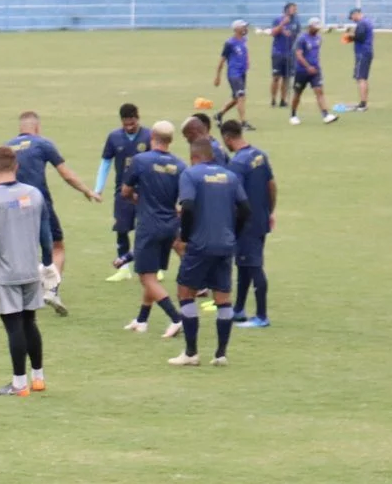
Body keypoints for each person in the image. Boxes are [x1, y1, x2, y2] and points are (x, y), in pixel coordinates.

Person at [0, 146, 57, 396]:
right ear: (16, 166)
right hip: (30, 270)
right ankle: (38, 377)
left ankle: (19, 383)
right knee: (30, 323)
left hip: (5, 274)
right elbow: (45, 235)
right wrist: (48, 264)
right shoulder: (35, 195)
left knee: (14, 327)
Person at [3, 111, 100, 309]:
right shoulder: (42, 143)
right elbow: (66, 174)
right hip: (39, 203)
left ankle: (25, 290)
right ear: (37, 128)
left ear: (20, 129)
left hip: (14, 205)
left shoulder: (7, 148)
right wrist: (87, 191)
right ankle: (51, 290)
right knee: (57, 246)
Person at [169, 137, 250, 366]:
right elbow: (245, 208)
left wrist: (185, 235)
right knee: (222, 297)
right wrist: (234, 233)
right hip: (225, 244)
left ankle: (191, 353)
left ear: (194, 156)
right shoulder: (230, 176)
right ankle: (221, 354)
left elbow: (188, 205)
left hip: (200, 243)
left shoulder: (191, 175)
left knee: (185, 293)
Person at [119, 121, 186, 334]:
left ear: (151, 138)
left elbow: (125, 192)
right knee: (152, 272)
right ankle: (142, 320)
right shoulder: (180, 165)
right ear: (171, 140)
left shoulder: (141, 161)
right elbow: (185, 201)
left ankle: (176, 319)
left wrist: (139, 200)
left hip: (149, 225)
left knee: (146, 277)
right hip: (170, 226)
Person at [221, 119, 278, 329]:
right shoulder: (259, 155)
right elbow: (271, 185)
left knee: (254, 266)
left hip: (246, 223)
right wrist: (270, 211)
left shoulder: (237, 163)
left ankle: (262, 316)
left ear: (227, 138)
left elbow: (235, 199)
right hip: (261, 218)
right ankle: (238, 310)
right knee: (244, 264)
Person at [95, 103, 146, 278]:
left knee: (148, 229)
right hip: (122, 191)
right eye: (126, 123)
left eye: (132, 123)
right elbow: (106, 163)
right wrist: (98, 188)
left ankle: (155, 267)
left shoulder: (149, 136)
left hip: (146, 192)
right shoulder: (114, 137)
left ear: (137, 119)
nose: (129, 127)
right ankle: (124, 269)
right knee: (122, 229)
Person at [290, 19, 339, 124]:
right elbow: (299, 55)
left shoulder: (318, 38)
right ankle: (293, 115)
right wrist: (308, 67)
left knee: (319, 91)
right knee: (297, 93)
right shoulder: (302, 39)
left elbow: (315, 53)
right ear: (310, 26)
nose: (317, 29)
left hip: (315, 70)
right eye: (315, 27)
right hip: (302, 71)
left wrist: (315, 66)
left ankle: (325, 115)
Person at [211, 21, 256, 129]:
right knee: (241, 96)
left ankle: (219, 115)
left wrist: (247, 61)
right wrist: (218, 76)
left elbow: (245, 51)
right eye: (243, 27)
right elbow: (222, 60)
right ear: (236, 29)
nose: (245, 29)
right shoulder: (230, 43)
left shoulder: (244, 40)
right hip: (234, 73)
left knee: (236, 98)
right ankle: (243, 122)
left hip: (242, 73)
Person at [268, 2, 301, 108]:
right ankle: (273, 99)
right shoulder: (278, 20)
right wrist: (282, 25)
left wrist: (292, 37)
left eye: (295, 9)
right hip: (278, 52)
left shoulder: (296, 22)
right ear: (286, 10)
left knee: (286, 78)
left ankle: (283, 100)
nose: (295, 11)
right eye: (293, 9)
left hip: (290, 53)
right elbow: (273, 33)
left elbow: (297, 35)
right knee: (276, 77)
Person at [348, 8, 375, 110]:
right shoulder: (367, 22)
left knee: (361, 78)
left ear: (356, 14)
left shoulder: (362, 23)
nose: (352, 20)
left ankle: (363, 104)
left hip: (362, 53)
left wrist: (349, 36)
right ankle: (363, 102)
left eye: (352, 17)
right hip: (366, 52)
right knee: (363, 77)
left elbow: (359, 37)